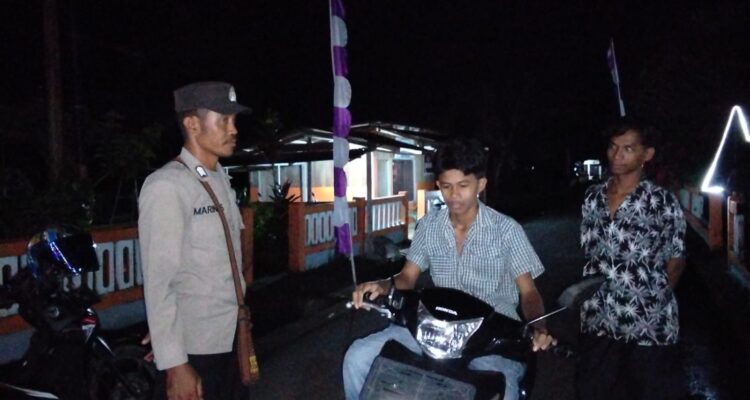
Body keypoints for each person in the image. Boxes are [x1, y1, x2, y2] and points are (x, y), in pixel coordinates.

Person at [343, 139, 556, 400]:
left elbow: (529, 292)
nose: (454, 195)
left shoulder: (507, 231)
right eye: (446, 186)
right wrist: (381, 285)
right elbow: (407, 277)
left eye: (463, 186)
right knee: (358, 357)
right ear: (438, 185)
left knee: (503, 389)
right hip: (434, 329)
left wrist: (538, 326)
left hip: (491, 338)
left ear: (481, 184)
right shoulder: (429, 226)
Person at [138, 81, 250, 400]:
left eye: (234, 120)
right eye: (224, 120)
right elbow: (159, 281)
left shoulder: (220, 179)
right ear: (192, 124)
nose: (233, 129)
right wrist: (174, 362)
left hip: (231, 337)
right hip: (196, 349)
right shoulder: (167, 186)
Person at [577, 121, 687, 400]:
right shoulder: (592, 198)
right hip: (599, 318)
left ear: (646, 154)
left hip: (647, 325)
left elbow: (676, 260)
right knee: (593, 391)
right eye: (613, 147)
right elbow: (591, 255)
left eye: (628, 148)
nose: (617, 155)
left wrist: (653, 303)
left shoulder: (662, 202)